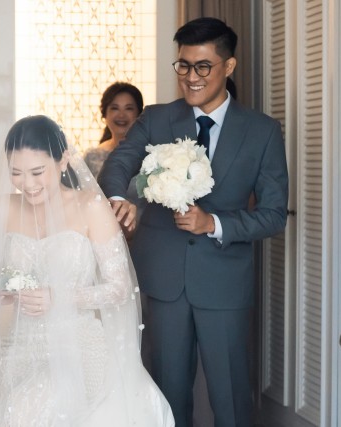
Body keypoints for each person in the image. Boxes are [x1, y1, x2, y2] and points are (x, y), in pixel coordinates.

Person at [98, 17, 288, 427]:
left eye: (203, 66)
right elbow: (119, 162)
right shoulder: (156, 118)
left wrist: (213, 223)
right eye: (183, 65)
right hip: (163, 278)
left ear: (229, 66)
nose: (191, 76)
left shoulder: (262, 131)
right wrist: (117, 198)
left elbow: (274, 215)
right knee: (166, 394)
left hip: (224, 282)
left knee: (231, 397)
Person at [0, 115, 175, 426]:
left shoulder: (91, 207)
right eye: (16, 173)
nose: (27, 184)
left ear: (62, 161)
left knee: (22, 410)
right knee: (8, 404)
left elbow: (119, 289)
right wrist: (1, 292)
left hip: (78, 347)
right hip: (18, 346)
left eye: (37, 172)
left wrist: (57, 297)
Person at [84, 82, 146, 237]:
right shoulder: (91, 157)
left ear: (139, 115)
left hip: (145, 238)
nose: (121, 115)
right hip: (104, 237)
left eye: (129, 108)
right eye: (114, 108)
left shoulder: (151, 157)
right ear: (104, 114)